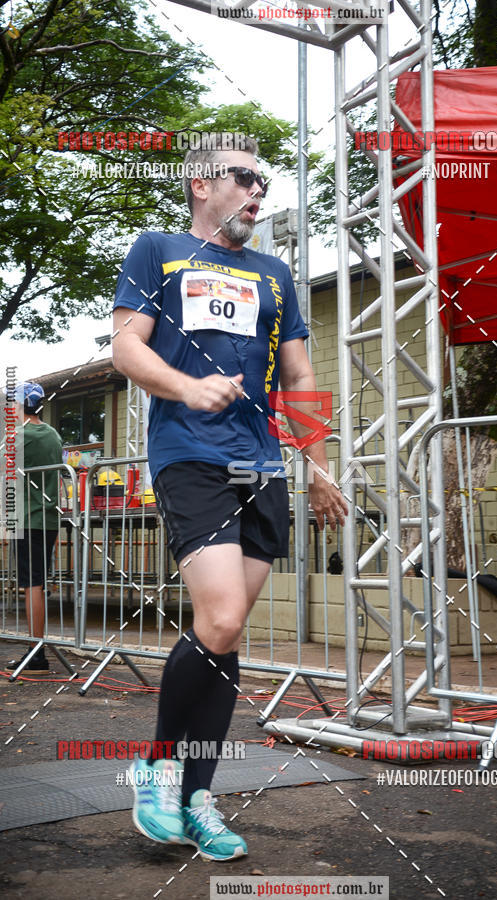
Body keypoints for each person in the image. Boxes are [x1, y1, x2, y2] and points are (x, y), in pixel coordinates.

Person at [112, 133, 347, 861]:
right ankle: (156, 767)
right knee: (217, 613)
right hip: (190, 455)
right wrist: (188, 387)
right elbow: (126, 345)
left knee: (227, 631)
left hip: (263, 467)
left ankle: (196, 797)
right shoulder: (158, 250)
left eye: (263, 184)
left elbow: (300, 376)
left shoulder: (276, 274)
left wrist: (315, 463)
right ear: (199, 183)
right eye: (244, 177)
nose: (257, 192)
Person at [7, 382, 63, 673]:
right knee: (36, 583)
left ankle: (36, 652)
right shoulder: (52, 434)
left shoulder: (21, 436)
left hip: (30, 518)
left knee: (32, 585)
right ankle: (35, 649)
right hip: (48, 518)